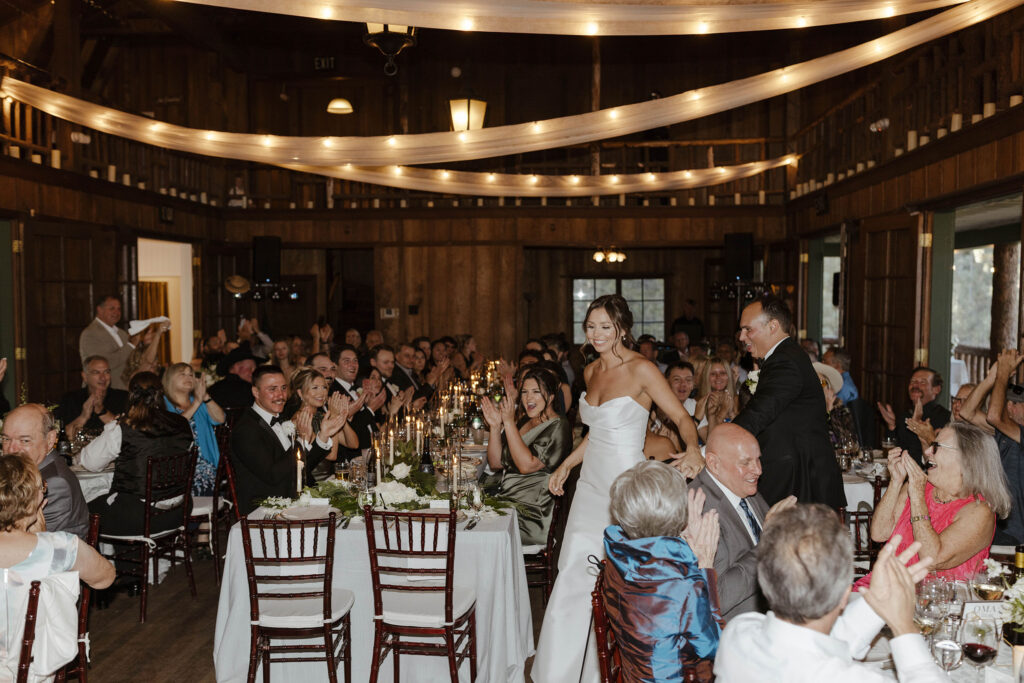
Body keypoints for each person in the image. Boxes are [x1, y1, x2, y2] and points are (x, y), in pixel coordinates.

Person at [534, 294, 703, 682]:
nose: (596, 334)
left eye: (605, 327)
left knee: (622, 579)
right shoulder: (590, 371)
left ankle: (618, 669)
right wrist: (565, 464)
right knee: (574, 570)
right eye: (591, 326)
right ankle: (558, 674)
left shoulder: (643, 369)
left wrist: (693, 447)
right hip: (590, 484)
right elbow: (596, 435)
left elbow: (679, 415)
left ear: (621, 329)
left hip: (625, 486)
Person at [715, 504, 945, 683]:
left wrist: (877, 600)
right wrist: (905, 627)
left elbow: (817, 643)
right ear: (846, 594)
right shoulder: (847, 678)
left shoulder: (738, 633)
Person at [602, 461, 722, 682]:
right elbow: (715, 647)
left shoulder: (616, 557)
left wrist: (683, 545)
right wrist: (705, 566)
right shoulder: (682, 586)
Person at [0, 454, 115, 680]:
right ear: (33, 499)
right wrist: (43, 536)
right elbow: (105, 578)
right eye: (42, 487)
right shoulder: (59, 547)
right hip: (32, 671)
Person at [857, 422, 1011, 588]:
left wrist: (917, 496)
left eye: (936, 447)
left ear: (965, 458)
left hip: (938, 602)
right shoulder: (918, 486)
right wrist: (896, 481)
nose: (928, 451)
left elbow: (931, 559)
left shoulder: (979, 510)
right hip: (884, 586)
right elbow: (879, 533)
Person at [732, 295, 845, 509]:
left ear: (773, 326)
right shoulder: (785, 356)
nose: (741, 337)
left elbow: (759, 413)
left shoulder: (785, 361)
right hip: (799, 475)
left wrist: (715, 447)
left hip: (801, 482)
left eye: (748, 329)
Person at [688, 423, 795, 621]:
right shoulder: (700, 509)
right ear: (713, 463)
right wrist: (767, 543)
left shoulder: (740, 486)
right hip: (741, 627)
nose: (758, 470)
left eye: (758, 460)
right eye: (745, 462)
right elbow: (719, 596)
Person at [84, 373, 194, 541]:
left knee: (82, 509)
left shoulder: (124, 427)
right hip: (180, 511)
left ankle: (111, 563)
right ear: (160, 394)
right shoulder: (182, 423)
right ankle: (148, 562)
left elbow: (90, 463)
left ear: (131, 395)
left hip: (140, 518)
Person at [229, 366, 345, 514]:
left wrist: (323, 436)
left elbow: (302, 469)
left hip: (292, 500)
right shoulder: (246, 429)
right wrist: (301, 441)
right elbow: (273, 475)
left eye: (283, 388)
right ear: (256, 392)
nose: (280, 395)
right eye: (272, 389)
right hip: (265, 510)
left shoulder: (280, 419)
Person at [479, 367, 572, 546]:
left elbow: (526, 466)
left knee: (475, 530)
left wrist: (508, 422)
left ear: (551, 396)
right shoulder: (526, 421)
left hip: (529, 514)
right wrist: (495, 427)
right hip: (507, 500)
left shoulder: (559, 426)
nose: (528, 398)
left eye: (536, 392)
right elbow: (496, 462)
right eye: (524, 392)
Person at [960, 353, 1024, 544]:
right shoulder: (1005, 432)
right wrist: (991, 378)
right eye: (1009, 403)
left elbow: (994, 417)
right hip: (996, 523)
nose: (1010, 408)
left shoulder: (1016, 431)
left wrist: (1004, 374)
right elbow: (966, 412)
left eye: (1017, 404)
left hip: (1016, 532)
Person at [1, 405, 90, 539]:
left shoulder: (54, 483)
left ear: (50, 439)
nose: (12, 449)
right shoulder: (25, 471)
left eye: (24, 440)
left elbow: (19, 540)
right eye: (6, 439)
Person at [162, 363, 225, 496]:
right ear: (169, 379)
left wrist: (205, 397)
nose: (189, 377)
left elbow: (220, 419)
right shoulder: (162, 404)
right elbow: (176, 426)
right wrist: (197, 401)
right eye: (182, 374)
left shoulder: (199, 402)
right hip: (177, 469)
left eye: (191, 374)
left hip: (206, 465)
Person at [285, 367, 360, 476]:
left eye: (324, 387)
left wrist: (341, 415)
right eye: (315, 388)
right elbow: (331, 456)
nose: (321, 393)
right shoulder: (301, 420)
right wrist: (333, 415)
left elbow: (353, 444)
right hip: (314, 484)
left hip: (330, 479)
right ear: (300, 393)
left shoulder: (322, 416)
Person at [877, 367, 950, 466]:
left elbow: (928, 461)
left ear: (936, 389)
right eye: (913, 381)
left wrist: (916, 425)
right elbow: (895, 451)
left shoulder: (945, 418)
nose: (915, 385)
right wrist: (892, 426)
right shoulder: (905, 415)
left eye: (922, 382)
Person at [57, 356, 128, 440]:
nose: (103, 377)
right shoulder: (70, 399)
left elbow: (127, 435)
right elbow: (63, 438)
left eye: (106, 372)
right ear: (84, 376)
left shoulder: (123, 397)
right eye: (96, 372)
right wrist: (83, 416)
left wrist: (102, 411)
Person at [78, 295, 138, 390]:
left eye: (119, 309)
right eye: (112, 308)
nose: (116, 312)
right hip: (102, 392)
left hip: (124, 390)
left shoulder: (122, 333)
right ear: (99, 310)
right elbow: (105, 363)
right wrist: (131, 345)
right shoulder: (90, 333)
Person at [815, 361, 859, 451]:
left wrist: (830, 410)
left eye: (821, 383)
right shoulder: (805, 411)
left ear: (828, 387)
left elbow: (849, 443)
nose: (817, 387)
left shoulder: (841, 411)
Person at [694, 357, 738, 443]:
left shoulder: (737, 400)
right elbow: (709, 441)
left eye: (722, 373)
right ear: (707, 377)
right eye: (713, 374)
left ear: (728, 376)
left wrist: (732, 414)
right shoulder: (698, 403)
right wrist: (723, 411)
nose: (718, 377)